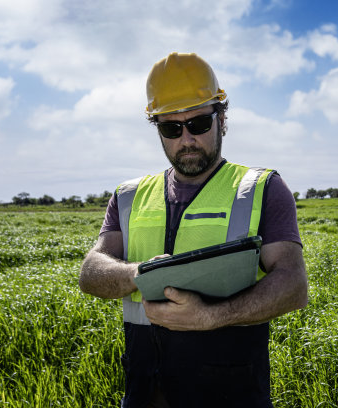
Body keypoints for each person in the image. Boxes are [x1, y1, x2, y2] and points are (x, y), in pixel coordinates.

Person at [79, 52, 308, 408]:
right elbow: (91, 274)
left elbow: (293, 286)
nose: (186, 139)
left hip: (231, 395)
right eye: (171, 128)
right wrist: (141, 273)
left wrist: (212, 316)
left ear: (222, 119)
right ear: (157, 128)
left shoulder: (261, 188)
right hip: (144, 394)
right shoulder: (128, 196)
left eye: (199, 124)